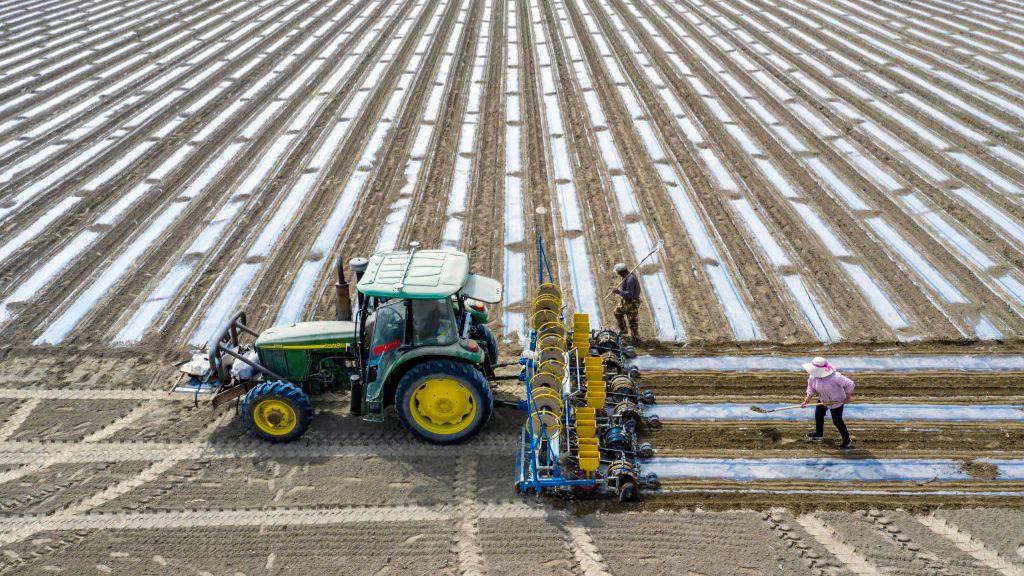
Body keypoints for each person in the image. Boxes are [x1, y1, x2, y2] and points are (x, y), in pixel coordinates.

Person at [800, 356, 854, 450]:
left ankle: (847, 440)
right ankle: (819, 433)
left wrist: (848, 396)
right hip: (823, 400)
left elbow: (850, 384)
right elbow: (811, 389)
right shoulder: (813, 377)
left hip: (836, 401)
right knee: (818, 414)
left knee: (837, 421)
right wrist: (806, 401)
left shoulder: (835, 377)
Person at [612, 262, 642, 342]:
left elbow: (630, 294)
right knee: (617, 312)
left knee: (632, 320)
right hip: (626, 300)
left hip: (632, 302)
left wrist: (619, 292)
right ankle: (624, 331)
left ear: (622, 271)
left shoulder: (630, 280)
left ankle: (635, 338)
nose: (618, 274)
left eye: (618, 272)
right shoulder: (626, 276)